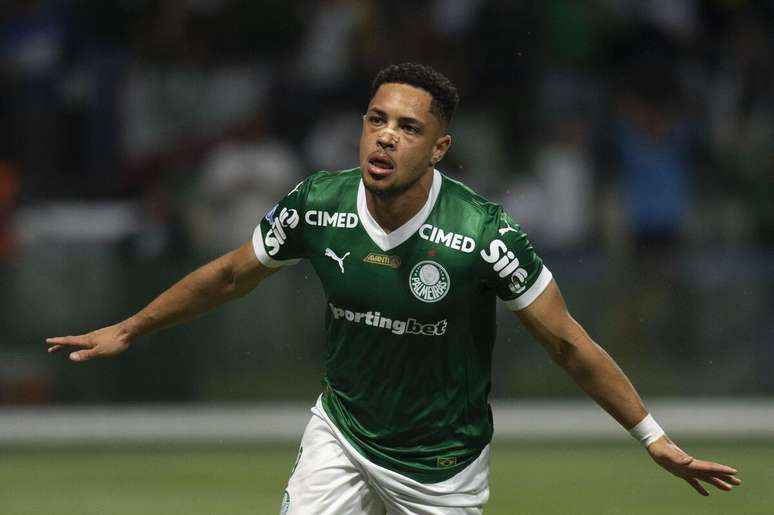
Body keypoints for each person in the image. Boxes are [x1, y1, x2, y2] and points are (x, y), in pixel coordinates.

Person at [47, 63, 740, 514]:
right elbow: (231, 274)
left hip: (441, 464)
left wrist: (652, 436)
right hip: (343, 434)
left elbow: (566, 341)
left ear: (438, 148)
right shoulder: (318, 204)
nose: (384, 138)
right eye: (376, 119)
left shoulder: (483, 234)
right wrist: (132, 326)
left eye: (408, 128)